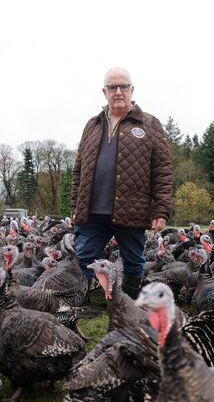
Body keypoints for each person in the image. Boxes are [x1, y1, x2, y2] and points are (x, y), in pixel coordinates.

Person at [71, 67, 172, 298]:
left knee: (133, 262)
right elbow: (78, 170)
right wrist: (76, 205)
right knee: (83, 259)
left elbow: (162, 171)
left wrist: (161, 209)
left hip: (132, 209)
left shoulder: (149, 124)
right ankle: (82, 302)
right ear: (104, 91)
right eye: (113, 87)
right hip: (92, 210)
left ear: (132, 90)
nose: (118, 91)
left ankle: (128, 307)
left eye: (123, 86)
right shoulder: (92, 125)